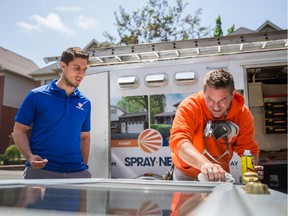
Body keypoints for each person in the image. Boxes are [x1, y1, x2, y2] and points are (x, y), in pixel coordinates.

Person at [169, 69, 264, 182]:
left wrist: (252, 168)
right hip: (186, 174)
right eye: (210, 99)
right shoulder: (189, 106)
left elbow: (248, 148)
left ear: (233, 94)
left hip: (220, 175)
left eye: (222, 100)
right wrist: (205, 165)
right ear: (204, 93)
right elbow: (179, 141)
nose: (216, 106)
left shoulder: (242, 114)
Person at [13, 47, 91, 179]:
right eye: (77, 68)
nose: (81, 74)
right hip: (41, 171)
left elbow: (85, 137)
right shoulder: (36, 96)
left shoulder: (85, 103)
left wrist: (84, 167)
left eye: (84, 69)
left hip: (76, 173)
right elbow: (19, 130)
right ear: (63, 66)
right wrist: (30, 156)